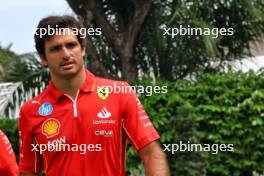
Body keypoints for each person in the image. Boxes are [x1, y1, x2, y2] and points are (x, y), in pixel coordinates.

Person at [18, 15, 169, 176]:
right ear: (43, 58)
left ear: (82, 49)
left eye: (71, 45)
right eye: (56, 48)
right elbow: (29, 172)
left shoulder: (120, 93)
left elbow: (152, 154)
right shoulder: (31, 111)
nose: (66, 54)